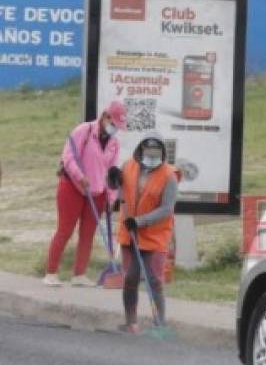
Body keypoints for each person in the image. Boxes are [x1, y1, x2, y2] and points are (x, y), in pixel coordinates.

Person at [44, 101, 127, 287]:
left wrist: (111, 199)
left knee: (87, 234)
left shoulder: (114, 143)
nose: (115, 129)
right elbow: (68, 157)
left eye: (118, 126)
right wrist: (80, 176)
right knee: (65, 230)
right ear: (105, 116)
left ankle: (79, 275)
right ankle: (51, 273)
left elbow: (111, 172)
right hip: (72, 187)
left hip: (96, 192)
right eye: (113, 123)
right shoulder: (84, 130)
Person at [116, 132, 179, 334]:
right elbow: (119, 192)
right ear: (141, 150)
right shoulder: (128, 167)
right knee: (130, 278)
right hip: (130, 234)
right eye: (148, 150)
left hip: (155, 236)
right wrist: (112, 179)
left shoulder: (170, 176)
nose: (152, 154)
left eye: (156, 151)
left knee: (154, 280)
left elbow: (167, 209)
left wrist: (140, 221)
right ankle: (130, 323)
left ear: (162, 152)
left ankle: (160, 323)